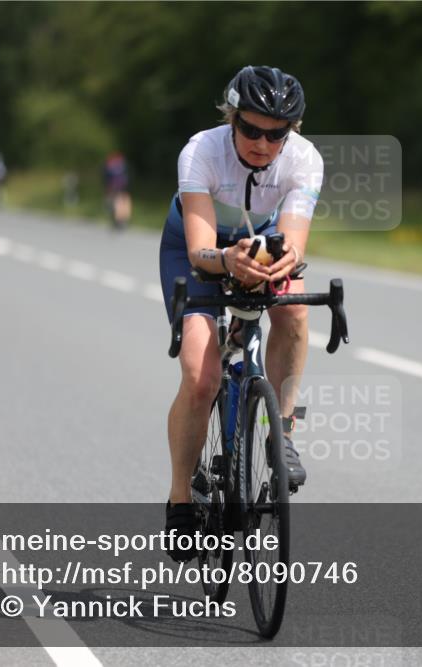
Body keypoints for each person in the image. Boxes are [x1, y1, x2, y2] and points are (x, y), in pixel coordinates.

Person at [158, 66, 323, 560]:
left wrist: (280, 261)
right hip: (197, 247)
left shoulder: (305, 160)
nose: (263, 144)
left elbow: (293, 242)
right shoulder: (201, 152)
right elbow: (200, 250)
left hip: (261, 245)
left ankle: (284, 431)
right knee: (201, 374)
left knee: (293, 312)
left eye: (276, 134)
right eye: (251, 130)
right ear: (231, 119)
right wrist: (227, 262)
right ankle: (180, 497)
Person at [103, 151, 131, 229]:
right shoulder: (123, 167)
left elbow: (106, 178)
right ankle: (120, 222)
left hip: (116, 189)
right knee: (118, 205)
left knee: (115, 205)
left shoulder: (111, 166)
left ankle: (119, 222)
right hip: (121, 188)